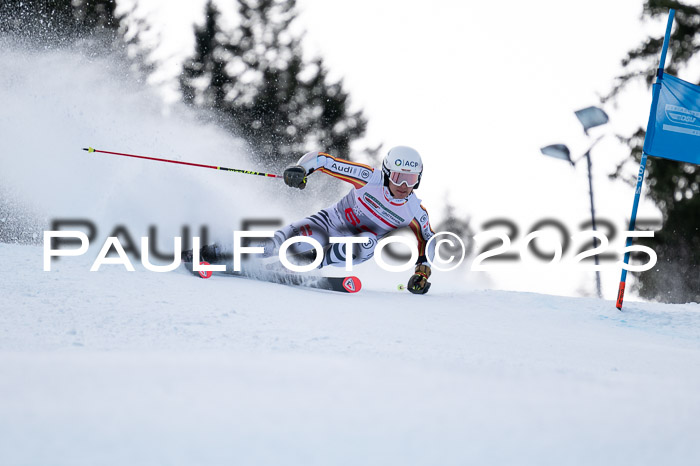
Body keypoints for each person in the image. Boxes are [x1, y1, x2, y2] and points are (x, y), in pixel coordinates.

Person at [265, 145, 436, 294]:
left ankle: (302, 263)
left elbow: (428, 239)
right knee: (274, 244)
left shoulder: (414, 210)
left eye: (411, 179)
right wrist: (301, 169)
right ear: (387, 172)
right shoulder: (368, 178)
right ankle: (244, 254)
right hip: (328, 223)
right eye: (398, 178)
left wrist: (422, 272)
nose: (404, 186)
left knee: (368, 241)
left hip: (356, 247)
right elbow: (324, 161)